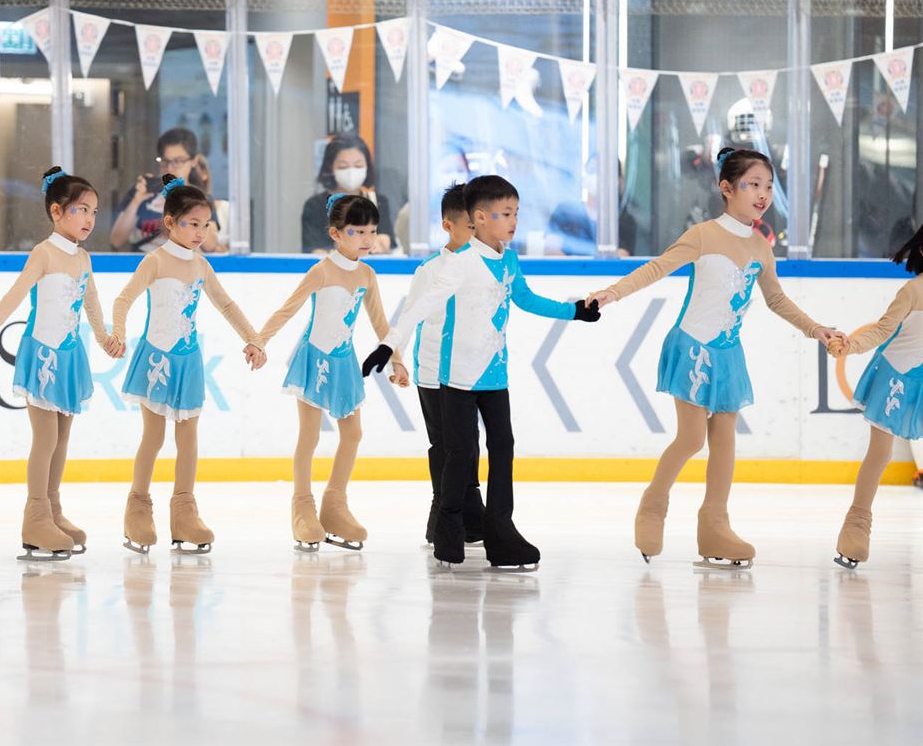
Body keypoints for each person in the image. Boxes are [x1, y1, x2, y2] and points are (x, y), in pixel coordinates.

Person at [587, 148, 842, 568]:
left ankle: (714, 527)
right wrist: (613, 292)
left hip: (728, 355)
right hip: (692, 347)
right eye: (753, 185)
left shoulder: (761, 247)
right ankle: (653, 505)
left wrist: (815, 328)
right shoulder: (704, 235)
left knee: (725, 443)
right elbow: (657, 268)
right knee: (691, 439)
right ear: (727, 188)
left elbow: (776, 299)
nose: (763, 194)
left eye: (768, 186)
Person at [365, 175, 601, 570]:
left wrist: (573, 311)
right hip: (457, 377)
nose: (513, 221)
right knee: (460, 455)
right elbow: (420, 307)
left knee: (503, 448)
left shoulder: (509, 260)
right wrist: (389, 346)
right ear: (479, 217)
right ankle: (448, 533)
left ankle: (501, 534)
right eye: (504, 214)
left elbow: (526, 299)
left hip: (495, 375)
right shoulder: (460, 263)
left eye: (516, 213)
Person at [0, 167, 122, 561]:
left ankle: (53, 510)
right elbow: (14, 296)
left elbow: (92, 305)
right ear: (56, 211)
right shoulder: (43, 253)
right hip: (43, 354)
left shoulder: (83, 258)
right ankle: (35, 517)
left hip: (70, 356)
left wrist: (105, 340)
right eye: (81, 210)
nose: (90, 219)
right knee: (45, 439)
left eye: (94, 212)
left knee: (62, 440)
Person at [109, 175, 265, 554]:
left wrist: (253, 338)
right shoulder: (155, 261)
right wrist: (119, 332)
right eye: (192, 223)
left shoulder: (201, 265)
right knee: (154, 436)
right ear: (170, 222)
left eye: (205, 225)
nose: (200, 232)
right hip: (157, 358)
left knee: (188, 438)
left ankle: (183, 512)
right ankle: (137, 507)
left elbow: (226, 304)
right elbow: (124, 299)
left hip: (188, 360)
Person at [254, 193, 404, 552]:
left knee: (353, 434)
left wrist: (397, 360)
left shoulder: (367, 274)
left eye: (372, 231)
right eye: (357, 232)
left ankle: (335, 505)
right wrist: (259, 341)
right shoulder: (321, 271)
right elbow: (287, 309)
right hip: (315, 358)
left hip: (344, 361)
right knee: (309, 436)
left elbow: (380, 322)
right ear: (336, 233)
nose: (367, 239)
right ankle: (302, 507)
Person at [372, 183, 484, 545]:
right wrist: (397, 360)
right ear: (449, 226)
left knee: (469, 442)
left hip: (471, 372)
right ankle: (442, 516)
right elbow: (409, 316)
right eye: (471, 226)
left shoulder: (485, 265)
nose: (477, 233)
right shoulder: (430, 270)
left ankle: (471, 516)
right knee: (445, 444)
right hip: (434, 372)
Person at [824, 224, 923, 568]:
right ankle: (855, 527)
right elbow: (882, 331)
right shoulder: (912, 291)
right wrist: (849, 346)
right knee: (880, 454)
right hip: (895, 375)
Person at [111, 128, 229, 254]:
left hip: (183, 263)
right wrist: (136, 201)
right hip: (145, 261)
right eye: (165, 161)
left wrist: (188, 201)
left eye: (178, 161)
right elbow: (116, 241)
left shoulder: (200, 198)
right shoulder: (144, 192)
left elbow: (210, 246)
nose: (170, 168)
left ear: (193, 161)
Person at [301, 135, 393, 255]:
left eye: (358, 166)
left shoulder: (377, 201)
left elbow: (387, 241)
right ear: (330, 168)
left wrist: (380, 244)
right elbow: (313, 250)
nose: (351, 172)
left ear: (367, 167)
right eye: (343, 167)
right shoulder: (315, 206)